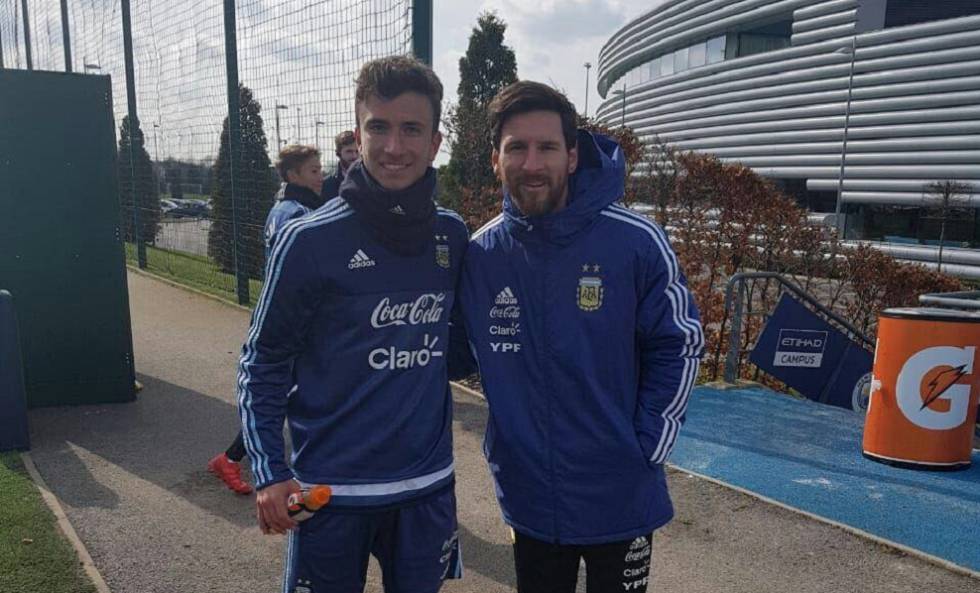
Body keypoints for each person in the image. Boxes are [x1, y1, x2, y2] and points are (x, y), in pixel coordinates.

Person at [457, 81, 704, 593]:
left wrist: (647, 445)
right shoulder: (481, 255)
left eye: (547, 147)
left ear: (572, 156)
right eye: (516, 148)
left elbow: (678, 341)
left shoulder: (634, 241)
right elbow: (450, 350)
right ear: (495, 160)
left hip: (623, 494)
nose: (532, 163)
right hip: (530, 499)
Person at [238, 56, 466, 593]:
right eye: (378, 127)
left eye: (411, 129)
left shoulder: (453, 238)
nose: (394, 147)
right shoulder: (310, 240)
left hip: (427, 488)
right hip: (330, 494)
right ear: (358, 133)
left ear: (435, 142)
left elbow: (468, 348)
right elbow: (262, 361)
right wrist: (270, 471)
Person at [207, 144, 326, 495]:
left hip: (286, 315)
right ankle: (233, 459)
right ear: (293, 176)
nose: (321, 177)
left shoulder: (282, 208)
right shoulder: (298, 214)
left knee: (286, 392)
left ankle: (231, 459)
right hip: (296, 320)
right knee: (286, 393)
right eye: (315, 171)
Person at [321, 130, 358, 200]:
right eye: (349, 151)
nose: (355, 156)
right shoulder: (327, 185)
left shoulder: (371, 180)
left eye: (357, 151)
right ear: (338, 153)